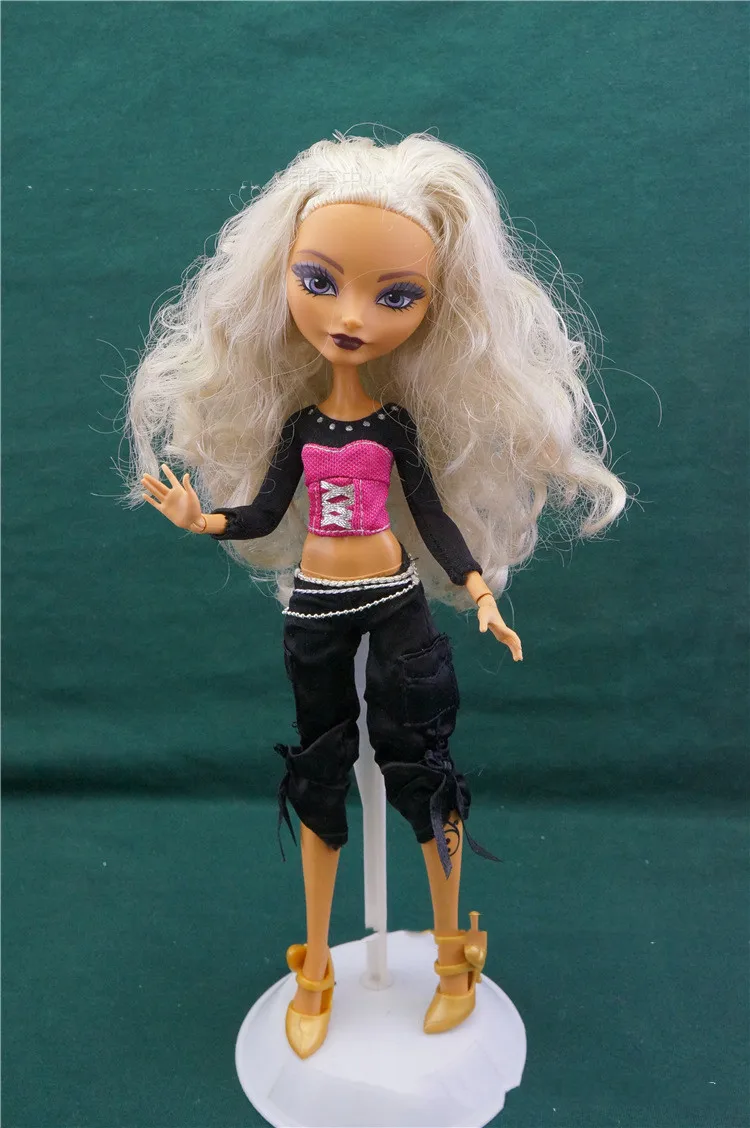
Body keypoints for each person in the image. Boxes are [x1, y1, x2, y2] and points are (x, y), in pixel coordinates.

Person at [125, 130, 626, 1059]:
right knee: (318, 779)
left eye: (396, 295)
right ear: (278, 282)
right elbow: (266, 510)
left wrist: (475, 587)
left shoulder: (395, 428)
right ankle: (315, 964)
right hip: (316, 605)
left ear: (437, 309)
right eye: (320, 281)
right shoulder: (299, 428)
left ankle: (452, 957)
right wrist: (205, 520)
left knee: (423, 770)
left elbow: (430, 513)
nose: (351, 317)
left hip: (396, 596)